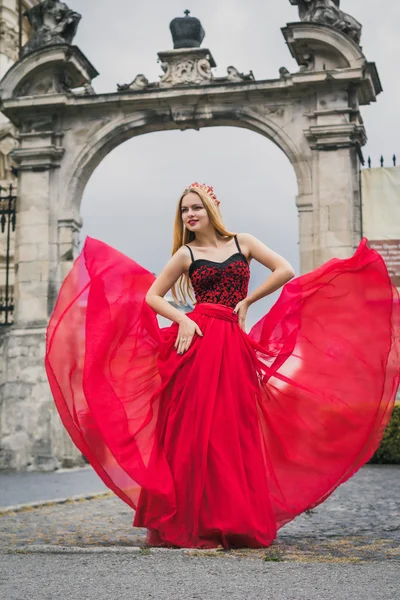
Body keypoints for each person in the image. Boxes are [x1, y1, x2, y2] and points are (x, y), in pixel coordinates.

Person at [45, 182, 399, 550]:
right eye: (184, 210)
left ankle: (233, 520)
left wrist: (248, 301)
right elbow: (152, 295)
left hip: (233, 344)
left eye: (196, 207)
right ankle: (195, 525)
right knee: (197, 432)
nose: (190, 215)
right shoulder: (185, 253)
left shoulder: (242, 242)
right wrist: (182, 320)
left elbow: (285, 269)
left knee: (234, 430)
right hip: (197, 342)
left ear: (211, 209)